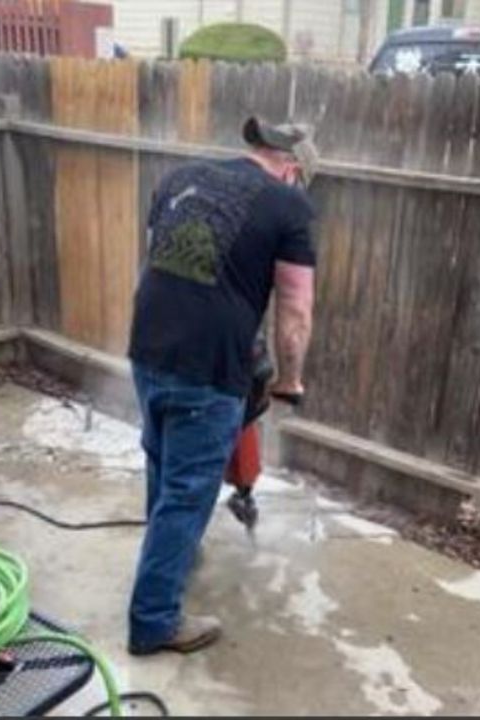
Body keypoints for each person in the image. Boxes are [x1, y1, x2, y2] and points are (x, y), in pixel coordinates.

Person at [125, 117, 318, 655]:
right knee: (189, 493)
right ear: (293, 169)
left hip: (147, 346)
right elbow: (296, 311)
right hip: (206, 369)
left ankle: (170, 559)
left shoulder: (178, 178)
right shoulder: (290, 206)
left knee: (163, 465)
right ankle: (154, 622)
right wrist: (289, 378)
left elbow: (159, 266)